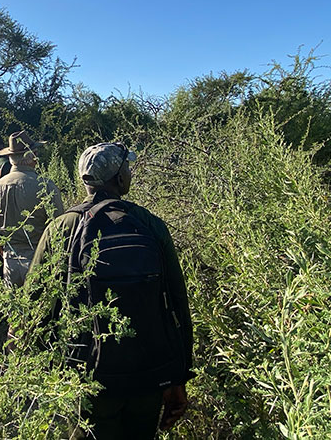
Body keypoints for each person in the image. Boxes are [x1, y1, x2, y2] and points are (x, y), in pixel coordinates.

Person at [30, 142, 194, 439]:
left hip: (86, 377)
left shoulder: (60, 227)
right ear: (119, 179)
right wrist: (177, 377)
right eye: (127, 168)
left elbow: (36, 304)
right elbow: (177, 306)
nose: (129, 173)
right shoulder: (149, 225)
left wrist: (46, 372)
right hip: (148, 377)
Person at [0, 131, 63, 288]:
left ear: (11, 158)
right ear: (32, 155)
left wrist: (7, 253)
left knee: (13, 310)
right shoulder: (46, 186)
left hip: (9, 261)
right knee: (40, 310)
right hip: (39, 260)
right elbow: (58, 229)